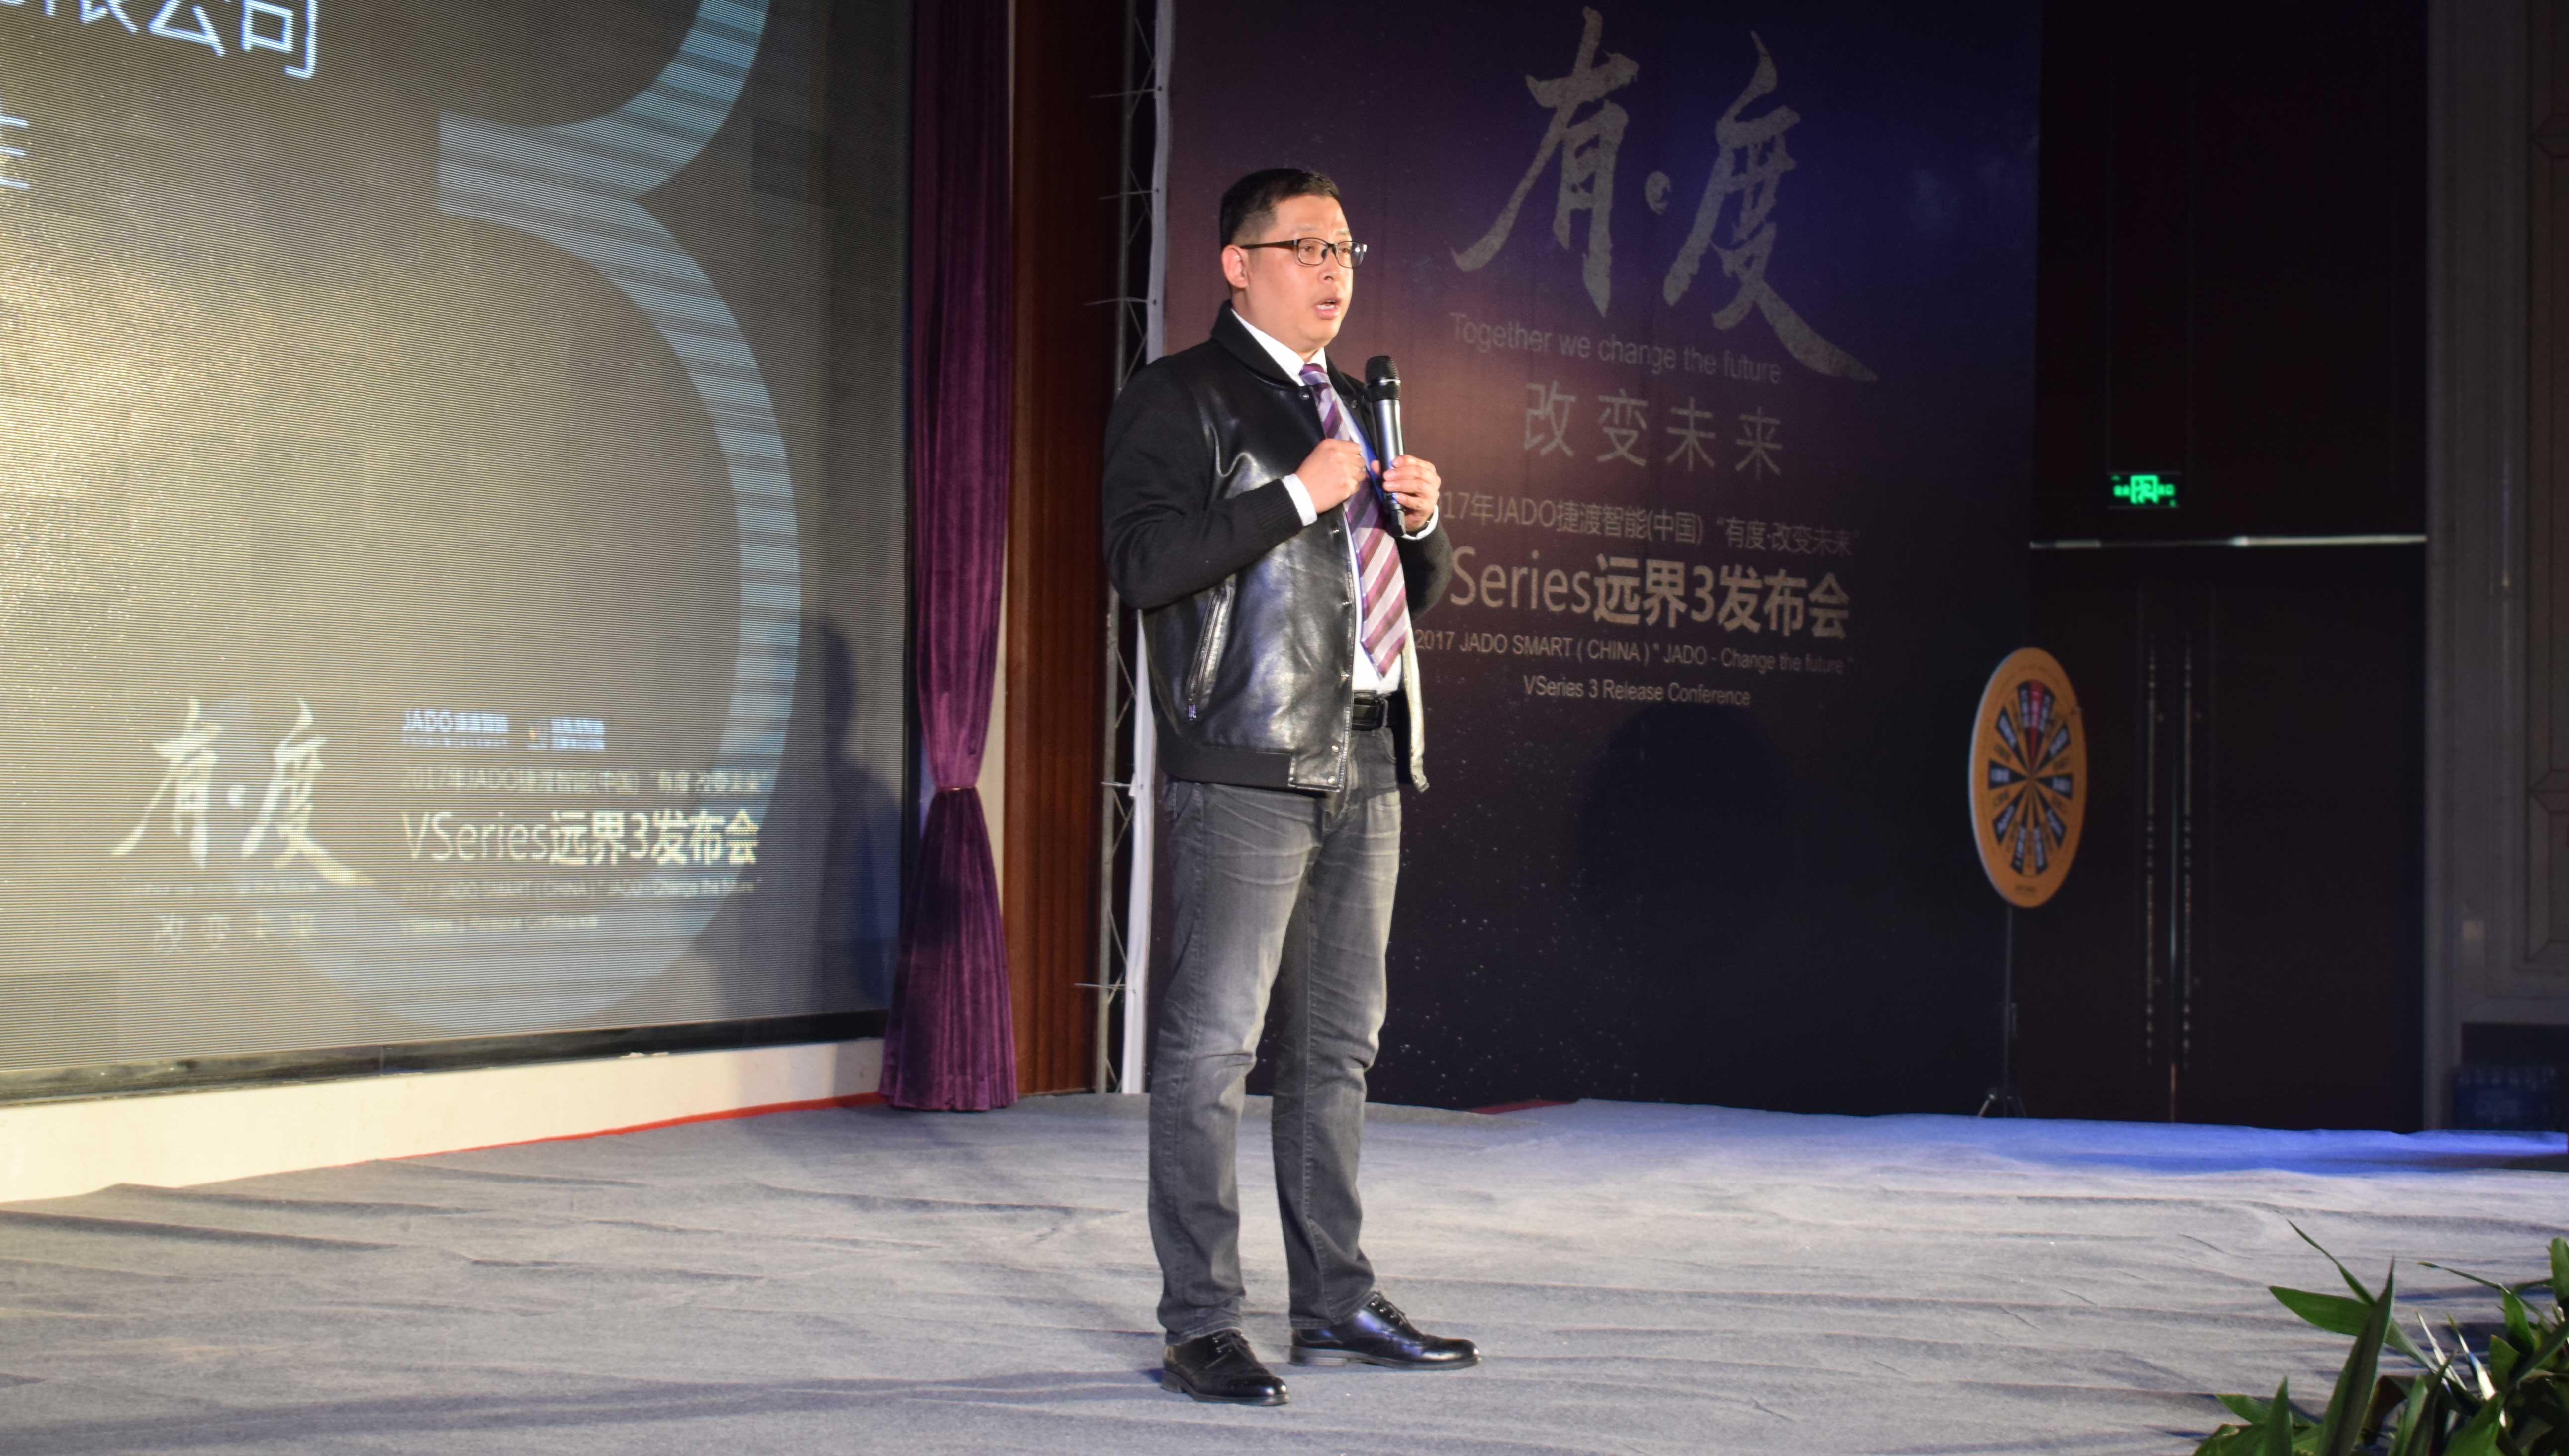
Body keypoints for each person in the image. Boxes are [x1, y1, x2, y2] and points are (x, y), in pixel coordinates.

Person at [1101, 168, 1475, 1406]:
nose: (1332, 270)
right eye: (1307, 246)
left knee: (1336, 1048)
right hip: (1250, 757)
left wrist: (1419, 526)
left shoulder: (1354, 406)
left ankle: (1336, 1301)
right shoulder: (1180, 395)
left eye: (1346, 249)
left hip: (1367, 751)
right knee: (1214, 1046)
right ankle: (1202, 1320)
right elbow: (1144, 562)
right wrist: (1297, 495)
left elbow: (1403, 601)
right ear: (1237, 263)